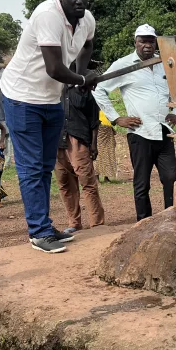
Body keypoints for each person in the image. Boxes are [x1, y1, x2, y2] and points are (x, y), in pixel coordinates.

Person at [0, 0, 98, 253]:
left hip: (51, 100)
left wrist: (79, 76)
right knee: (31, 168)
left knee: (45, 167)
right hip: (22, 98)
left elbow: (87, 44)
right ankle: (39, 232)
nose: (79, 1)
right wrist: (81, 80)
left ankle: (43, 224)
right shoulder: (47, 16)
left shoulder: (86, 20)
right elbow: (54, 68)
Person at [94, 24, 176, 221]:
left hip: (164, 131)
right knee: (142, 183)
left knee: (171, 178)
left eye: (151, 40)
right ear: (135, 42)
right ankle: (144, 223)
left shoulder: (163, 63)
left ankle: (170, 219)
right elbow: (98, 88)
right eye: (143, 41)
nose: (147, 45)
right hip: (140, 132)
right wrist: (116, 118)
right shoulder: (124, 65)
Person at [55, 70, 105, 233]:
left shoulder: (85, 92)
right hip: (57, 141)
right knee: (65, 184)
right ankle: (74, 223)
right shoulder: (54, 90)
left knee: (87, 182)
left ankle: (97, 223)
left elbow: (94, 120)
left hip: (79, 140)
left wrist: (93, 145)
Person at [95, 111, 117, 182]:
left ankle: (103, 176)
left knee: (106, 152)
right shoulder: (100, 106)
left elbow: (113, 121)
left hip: (105, 129)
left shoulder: (102, 106)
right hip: (101, 128)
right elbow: (114, 121)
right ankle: (98, 176)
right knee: (104, 152)